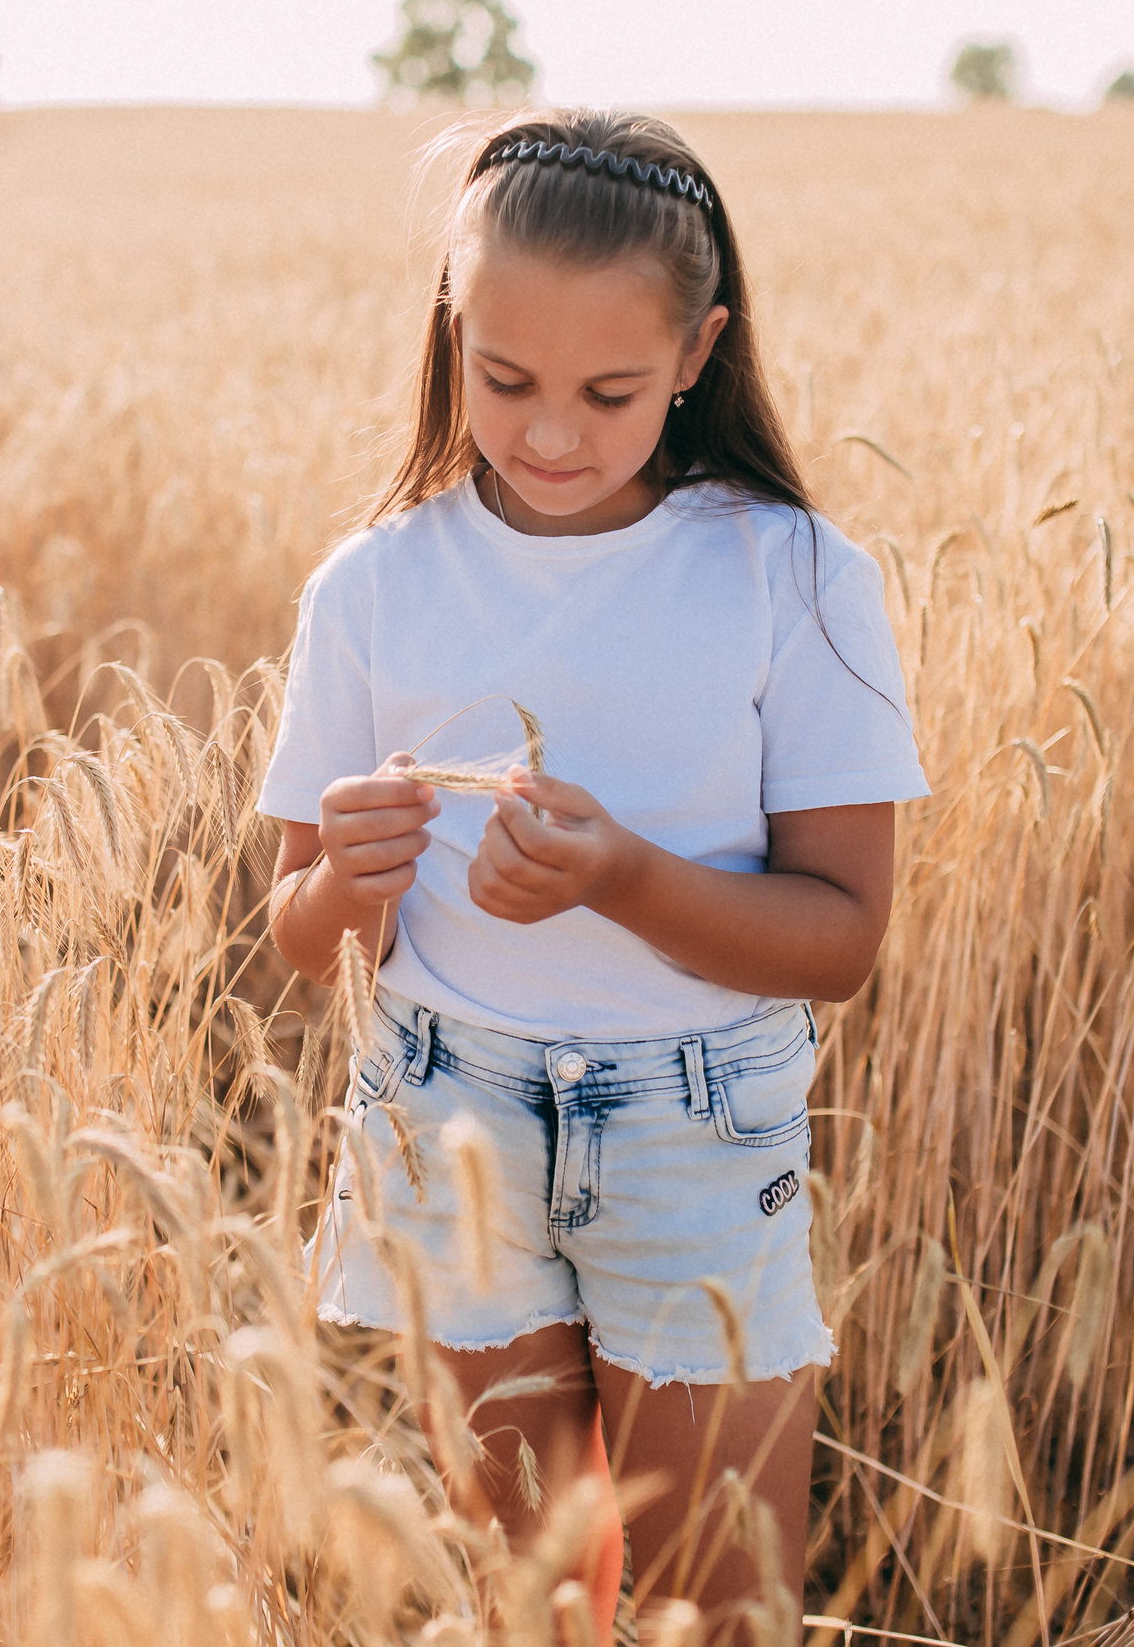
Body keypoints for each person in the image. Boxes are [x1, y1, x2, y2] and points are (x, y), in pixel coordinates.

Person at [257, 107, 927, 1643]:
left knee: (720, 1604)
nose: (551, 432)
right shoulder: (372, 588)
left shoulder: (793, 577)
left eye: (608, 392)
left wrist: (621, 875)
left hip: (696, 1131)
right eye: (505, 381)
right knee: (535, 1596)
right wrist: (352, 882)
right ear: (452, 327)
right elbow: (299, 933)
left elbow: (840, 941)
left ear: (698, 353)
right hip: (448, 1118)